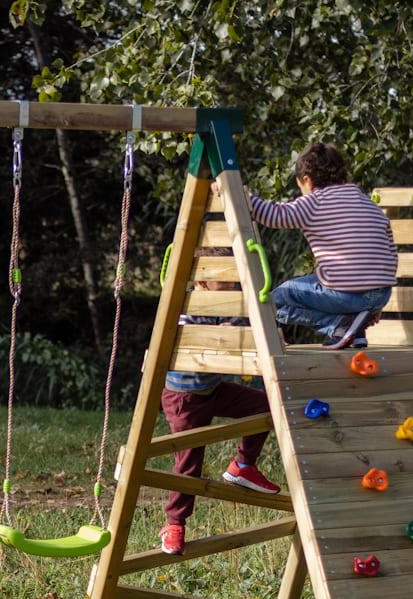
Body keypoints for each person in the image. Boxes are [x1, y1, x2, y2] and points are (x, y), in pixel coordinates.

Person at [159, 280, 281, 556]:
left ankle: (242, 465)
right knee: (189, 463)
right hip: (184, 398)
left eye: (234, 280)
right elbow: (190, 342)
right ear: (202, 282)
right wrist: (218, 336)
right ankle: (174, 524)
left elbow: (247, 331)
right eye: (224, 282)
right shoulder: (189, 305)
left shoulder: (226, 305)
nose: (232, 285)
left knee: (265, 405)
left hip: (213, 390)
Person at [247, 142, 397, 350]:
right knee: (326, 283)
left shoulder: (315, 202)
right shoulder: (367, 202)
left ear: (306, 180)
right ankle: (356, 333)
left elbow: (275, 216)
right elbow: (390, 250)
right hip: (381, 293)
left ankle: (337, 326)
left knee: (276, 301)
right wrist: (375, 296)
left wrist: (244, 197)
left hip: (348, 295)